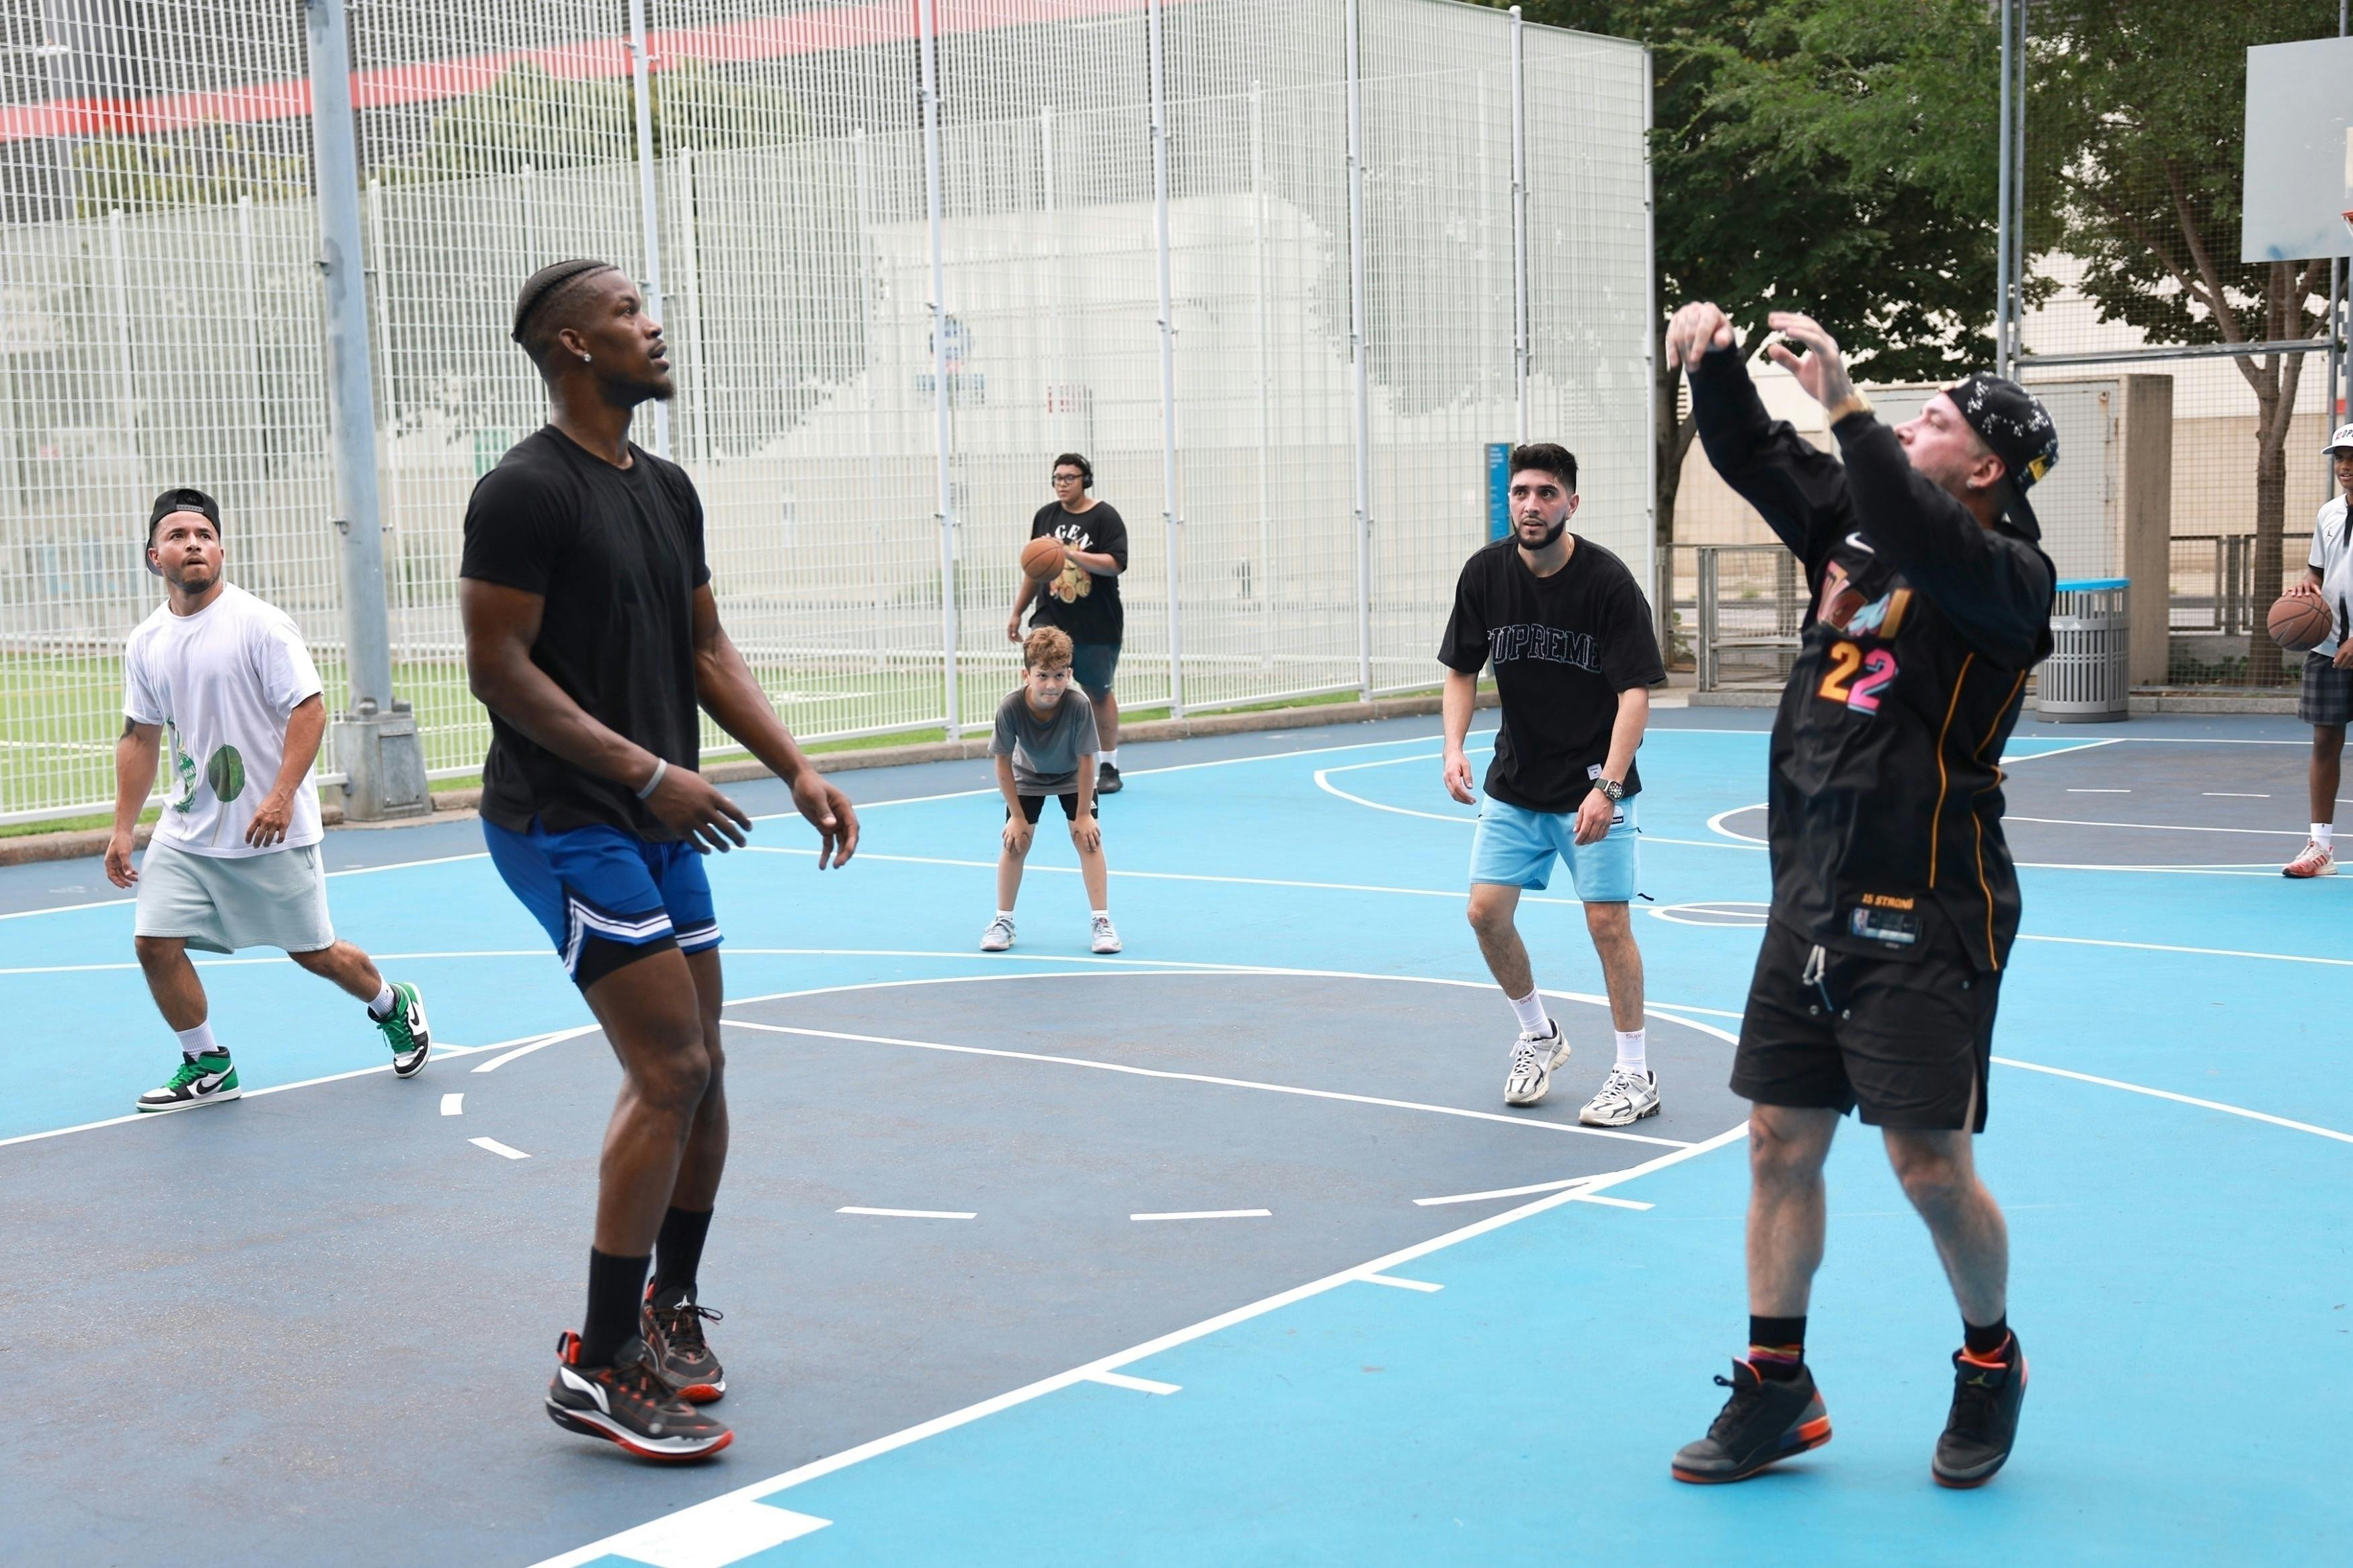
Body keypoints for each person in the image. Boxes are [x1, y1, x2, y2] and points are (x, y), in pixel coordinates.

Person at [461, 258, 859, 1462]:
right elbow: (498, 667)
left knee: (705, 1070)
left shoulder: (666, 487)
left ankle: (666, 1306)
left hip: (656, 818)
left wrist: (793, 762)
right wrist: (644, 772)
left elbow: (705, 643)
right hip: (564, 819)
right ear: (576, 346)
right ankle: (593, 1359)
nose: (656, 324)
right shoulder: (522, 492)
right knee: (671, 1062)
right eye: (632, 312)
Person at [1662, 302, 2056, 1490]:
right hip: (1812, 891)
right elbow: (1753, 455)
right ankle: (1779, 1383)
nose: (1905, 423)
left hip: (1930, 902)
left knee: (1929, 1166)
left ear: (1983, 467)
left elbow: (1908, 517)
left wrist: (1845, 402)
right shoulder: (1851, 527)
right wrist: (1714, 366)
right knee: (1779, 1139)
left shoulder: (2006, 579)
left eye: (1931, 418)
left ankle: (1992, 1358)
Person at [106, 487, 430, 1113]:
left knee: (316, 954)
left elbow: (308, 710)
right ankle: (207, 1063)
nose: (193, 543)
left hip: (270, 830)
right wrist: (124, 828)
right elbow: (140, 736)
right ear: (155, 557)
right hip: (189, 828)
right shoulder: (145, 641)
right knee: (154, 942)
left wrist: (282, 796)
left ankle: (393, 1003)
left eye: (203, 534)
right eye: (177, 535)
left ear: (221, 549)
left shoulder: (261, 624)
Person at [1437, 442, 1665, 1127]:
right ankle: (1538, 1032)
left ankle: (1634, 1072)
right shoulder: (1484, 573)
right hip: (1515, 781)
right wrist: (1452, 747)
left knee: (1606, 923)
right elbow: (1460, 669)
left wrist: (1610, 787)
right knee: (1484, 914)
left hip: (1593, 785)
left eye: (1545, 493)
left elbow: (1634, 694)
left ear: (1570, 501)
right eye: (1520, 492)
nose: (1530, 505)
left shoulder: (1605, 581)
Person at [980, 626, 1119, 955]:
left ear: (1070, 673)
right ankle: (1003, 921)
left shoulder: (1078, 704)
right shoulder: (1011, 707)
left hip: (1074, 776)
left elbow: (1088, 761)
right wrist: (1016, 816)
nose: (1052, 685)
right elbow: (1002, 764)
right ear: (1026, 674)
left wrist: (1084, 814)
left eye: (1059, 675)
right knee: (1016, 843)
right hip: (1027, 777)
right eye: (1043, 675)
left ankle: (1102, 922)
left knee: (1088, 839)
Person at [1007, 453, 1129, 792]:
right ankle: (1038, 763)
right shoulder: (1045, 516)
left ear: (1085, 480)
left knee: (1097, 693)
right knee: (1040, 687)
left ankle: (1108, 765)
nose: (1062, 484)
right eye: (1057, 478)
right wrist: (1018, 611)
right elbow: (1037, 569)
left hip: (1096, 622)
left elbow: (1114, 563)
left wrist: (1070, 553)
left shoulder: (1105, 517)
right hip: (1051, 617)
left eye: (1069, 478)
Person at [2280, 422, 2353, 878]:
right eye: (2340, 458)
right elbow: (2319, 572)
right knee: (2325, 740)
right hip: (2330, 647)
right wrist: (2307, 588)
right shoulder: (2328, 513)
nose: (2345, 467)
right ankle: (2320, 846)